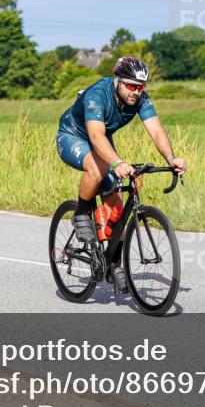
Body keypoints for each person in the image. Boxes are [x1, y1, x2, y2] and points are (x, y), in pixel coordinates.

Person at [55, 56, 187, 275]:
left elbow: (156, 130)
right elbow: (95, 137)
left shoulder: (140, 99)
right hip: (73, 135)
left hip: (102, 138)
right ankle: (81, 213)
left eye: (141, 87)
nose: (136, 92)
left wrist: (170, 158)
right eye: (131, 86)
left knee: (116, 205)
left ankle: (114, 266)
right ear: (117, 80)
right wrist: (116, 162)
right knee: (99, 167)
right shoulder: (98, 95)